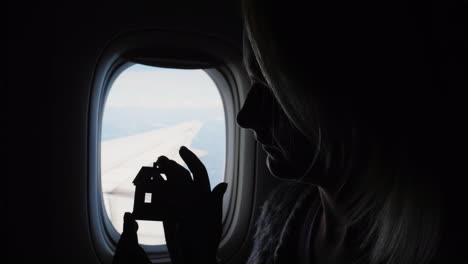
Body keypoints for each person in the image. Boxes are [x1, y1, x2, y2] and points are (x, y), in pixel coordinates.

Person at [114, 0, 464, 263]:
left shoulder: (439, 246)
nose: (245, 117)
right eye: (251, 82)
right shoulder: (282, 213)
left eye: (273, 90)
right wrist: (196, 256)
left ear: (342, 95)